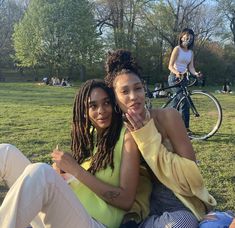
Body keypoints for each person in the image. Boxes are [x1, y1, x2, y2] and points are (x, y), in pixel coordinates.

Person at [0, 79, 140, 228]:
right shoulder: (89, 137)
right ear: (84, 111)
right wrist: (62, 173)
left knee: (41, 173)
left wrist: (76, 170)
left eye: (106, 103)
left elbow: (126, 200)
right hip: (64, 214)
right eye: (93, 105)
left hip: (96, 222)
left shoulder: (126, 137)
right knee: (5, 152)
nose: (101, 110)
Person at [104, 49, 216, 228]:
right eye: (125, 91)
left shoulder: (168, 117)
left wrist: (147, 137)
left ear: (144, 89)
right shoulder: (118, 131)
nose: (134, 97)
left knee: (181, 224)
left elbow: (191, 177)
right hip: (141, 209)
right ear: (115, 98)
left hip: (179, 203)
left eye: (138, 88)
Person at [168, 28, 201, 133]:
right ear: (181, 37)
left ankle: (166, 123)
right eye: (186, 36)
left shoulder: (191, 52)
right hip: (174, 78)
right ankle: (185, 129)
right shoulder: (177, 49)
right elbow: (170, 65)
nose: (188, 39)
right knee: (184, 101)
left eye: (190, 37)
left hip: (184, 79)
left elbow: (191, 67)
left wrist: (196, 73)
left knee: (175, 104)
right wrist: (177, 72)